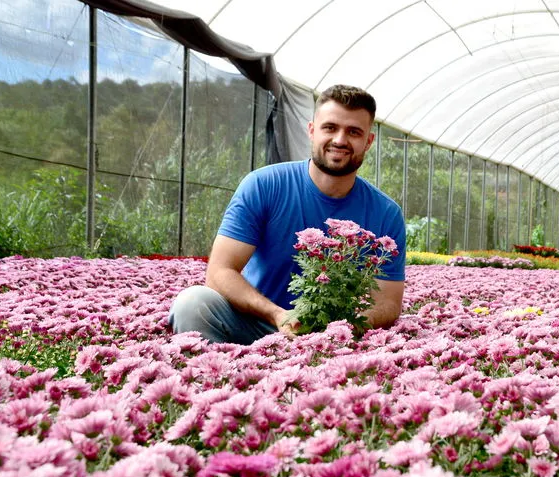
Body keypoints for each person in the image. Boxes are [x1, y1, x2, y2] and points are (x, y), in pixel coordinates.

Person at [169, 84, 406, 344]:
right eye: (330, 128)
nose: (340, 140)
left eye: (353, 132)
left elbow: (388, 300)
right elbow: (219, 271)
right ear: (312, 131)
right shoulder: (263, 184)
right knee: (192, 303)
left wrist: (347, 327)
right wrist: (277, 315)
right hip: (257, 322)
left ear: (368, 141)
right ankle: (220, 377)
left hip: (334, 338)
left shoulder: (386, 213)